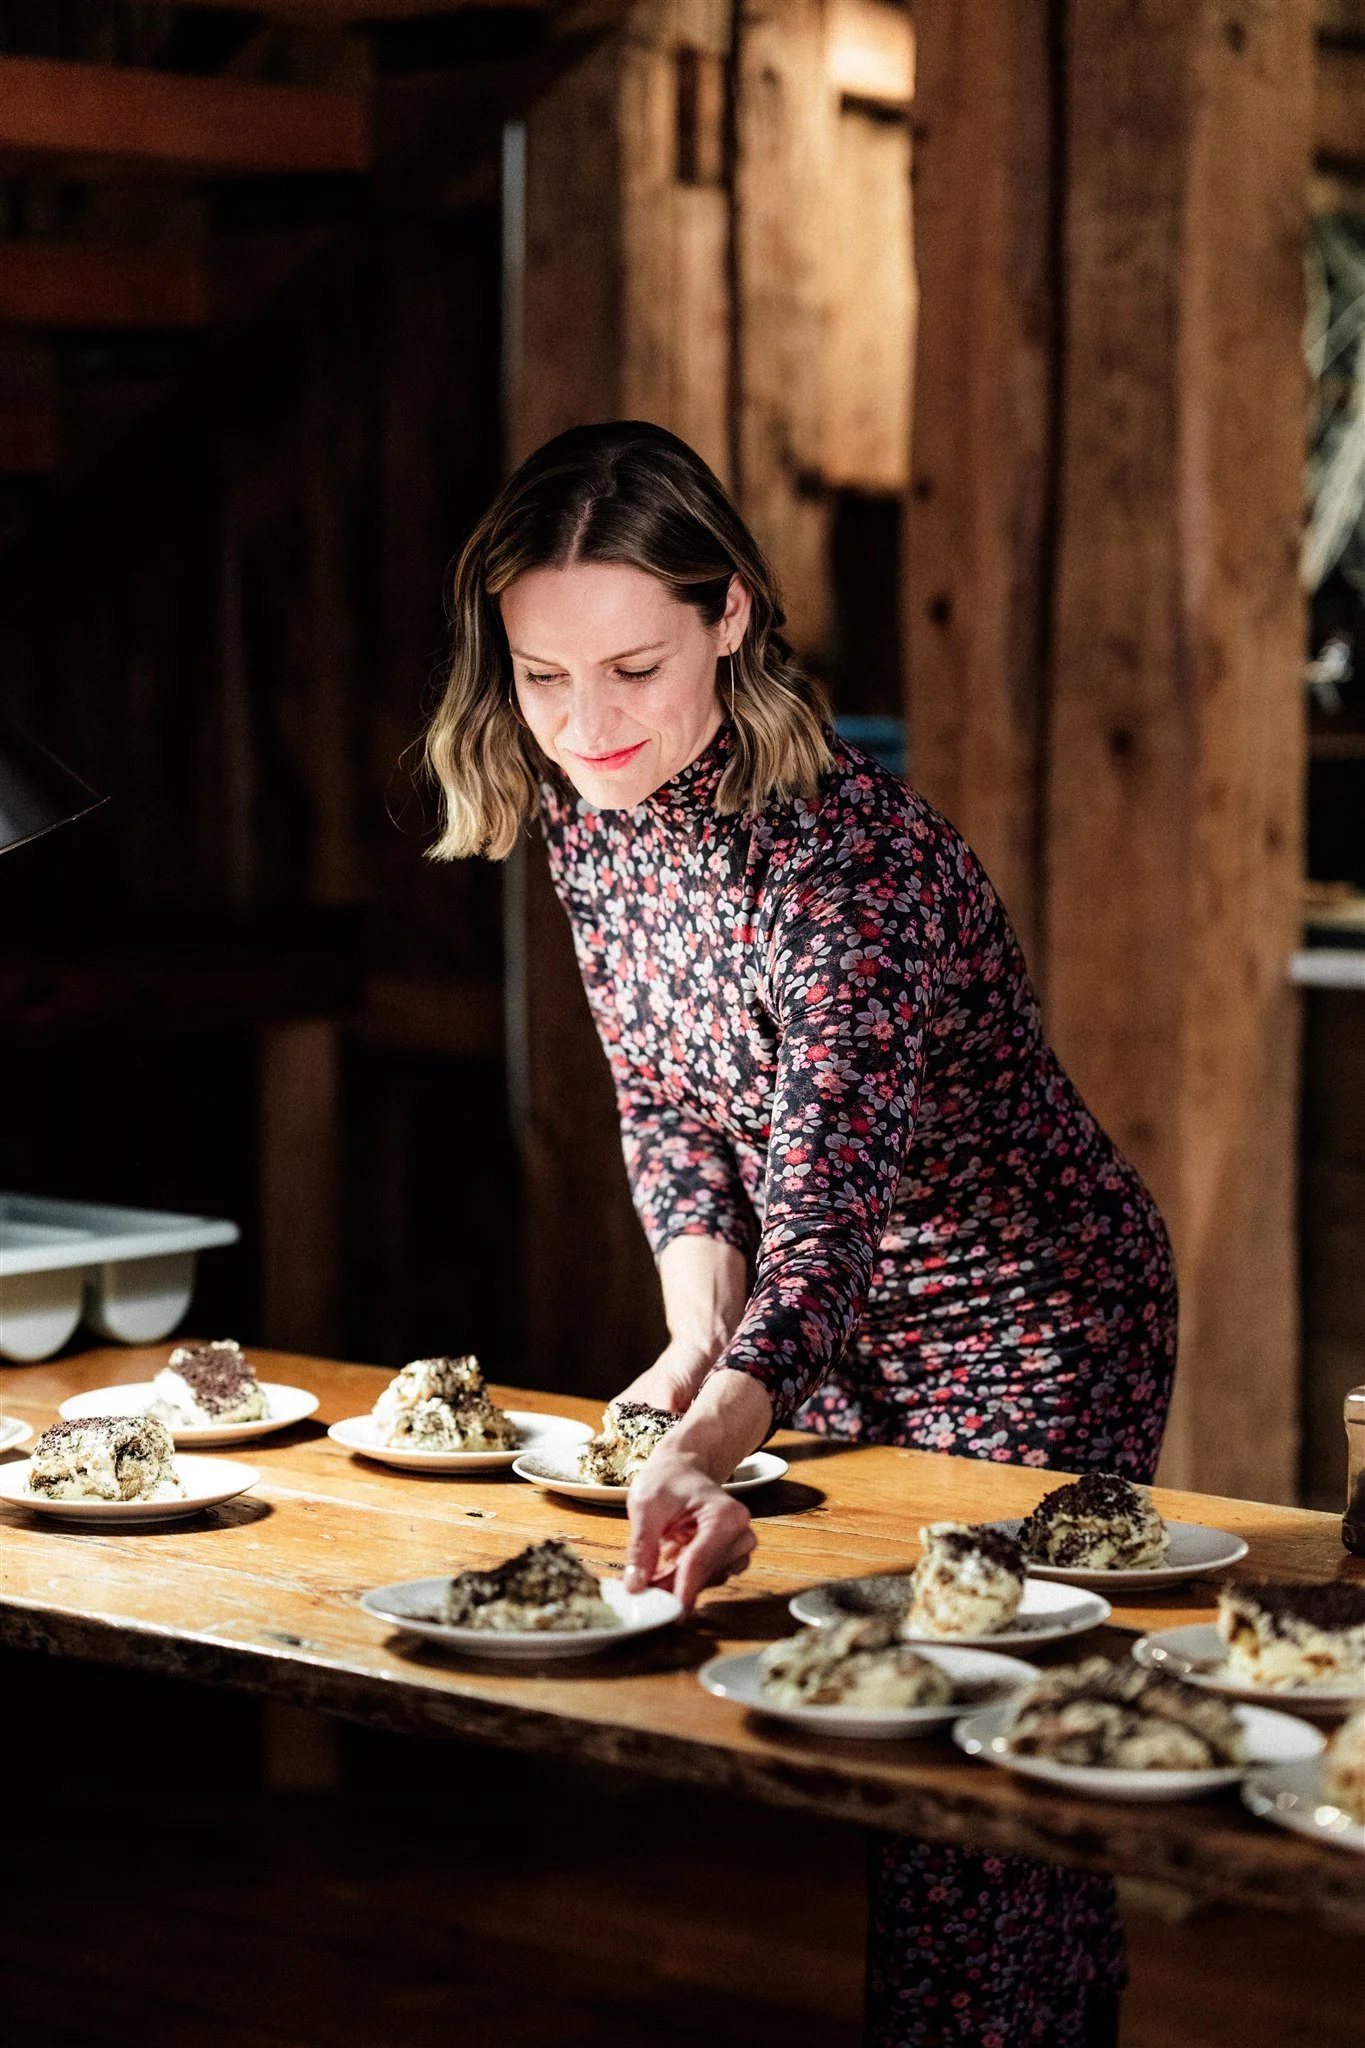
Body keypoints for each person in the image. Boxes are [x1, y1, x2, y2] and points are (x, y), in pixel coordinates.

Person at [423, 420, 1176, 2048]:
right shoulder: (594, 824)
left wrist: (715, 1420)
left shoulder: (858, 877)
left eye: (631, 667)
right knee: (894, 1746)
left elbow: (823, 1225)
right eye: (540, 679)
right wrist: (698, 1328)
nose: (584, 725)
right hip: (812, 1340)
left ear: (734, 616)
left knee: (976, 1777)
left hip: (1030, 1326)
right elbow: (672, 1113)